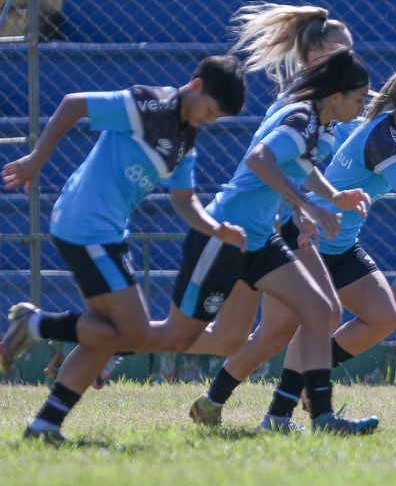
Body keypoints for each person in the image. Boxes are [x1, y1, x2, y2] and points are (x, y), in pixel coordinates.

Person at [198, 59, 396, 431]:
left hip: (339, 245)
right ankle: (228, 405)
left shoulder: (384, 131)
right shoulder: (382, 138)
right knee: (278, 332)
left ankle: (295, 392)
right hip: (310, 241)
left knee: (381, 317)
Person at [130, 50, 380, 435]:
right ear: (336, 96)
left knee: (316, 311)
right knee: (186, 334)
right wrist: (305, 206)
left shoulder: (318, 123)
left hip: (259, 238)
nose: (363, 105)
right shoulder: (301, 119)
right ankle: (108, 340)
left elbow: (300, 166)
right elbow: (260, 160)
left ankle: (321, 418)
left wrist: (333, 198)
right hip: (226, 232)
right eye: (359, 98)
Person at [0, 56, 247, 443]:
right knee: (128, 331)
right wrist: (36, 159)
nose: (209, 120)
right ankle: (34, 325)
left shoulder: (185, 141)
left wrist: (219, 229)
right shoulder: (146, 104)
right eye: (210, 110)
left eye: (217, 117)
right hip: (85, 225)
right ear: (195, 86)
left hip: (108, 232)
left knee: (110, 333)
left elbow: (184, 201)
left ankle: (45, 424)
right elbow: (73, 103)